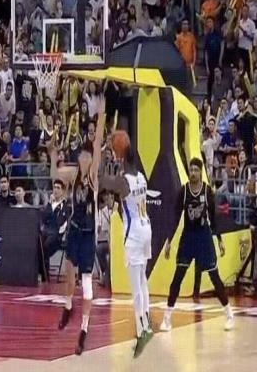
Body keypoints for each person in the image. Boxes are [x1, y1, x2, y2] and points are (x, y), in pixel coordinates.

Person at [50, 94, 105, 355]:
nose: (84, 158)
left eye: (87, 155)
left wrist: (101, 115)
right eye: (81, 155)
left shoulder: (92, 175)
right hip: (74, 229)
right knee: (68, 272)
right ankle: (68, 306)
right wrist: (52, 154)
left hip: (88, 233)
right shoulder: (72, 174)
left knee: (87, 281)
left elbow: (98, 142)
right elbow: (54, 175)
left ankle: (83, 328)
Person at [161, 157, 234, 332]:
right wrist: (169, 241)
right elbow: (175, 217)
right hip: (188, 236)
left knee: (214, 277)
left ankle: (229, 314)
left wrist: (220, 240)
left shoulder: (207, 191)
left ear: (201, 172)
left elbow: (214, 218)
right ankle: (167, 318)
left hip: (203, 237)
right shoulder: (183, 191)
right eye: (191, 170)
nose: (193, 173)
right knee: (178, 277)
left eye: (196, 170)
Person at [99, 145, 153, 358]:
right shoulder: (141, 177)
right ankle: (146, 322)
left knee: (135, 286)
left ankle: (141, 330)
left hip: (135, 234)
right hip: (146, 227)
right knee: (143, 279)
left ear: (123, 160)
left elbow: (103, 181)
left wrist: (102, 156)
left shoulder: (124, 181)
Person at [39, 179, 70, 281]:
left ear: (62, 191)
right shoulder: (49, 205)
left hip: (57, 236)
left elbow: (59, 222)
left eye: (58, 188)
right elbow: (43, 218)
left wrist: (53, 213)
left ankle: (44, 275)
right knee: (38, 244)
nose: (55, 190)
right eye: (54, 188)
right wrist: (49, 204)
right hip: (46, 233)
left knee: (45, 247)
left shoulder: (65, 207)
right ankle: (43, 274)